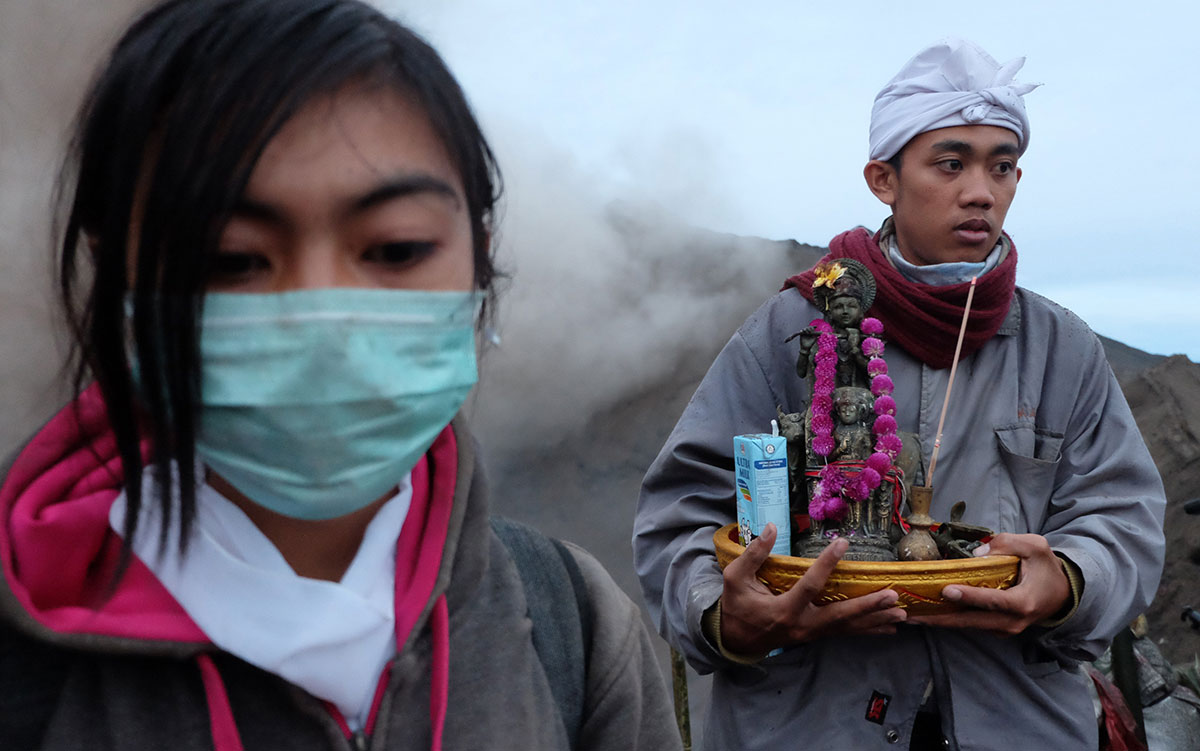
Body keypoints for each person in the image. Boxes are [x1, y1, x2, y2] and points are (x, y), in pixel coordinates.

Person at [0, 2, 681, 749]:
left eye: (395, 249)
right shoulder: (28, 665)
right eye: (230, 258)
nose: (321, 319)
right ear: (114, 273)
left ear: (479, 261)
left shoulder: (571, 625)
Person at [634, 38, 1165, 750]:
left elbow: (1123, 515)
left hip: (1019, 721)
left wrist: (1068, 582)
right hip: (806, 724)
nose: (982, 190)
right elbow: (682, 513)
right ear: (884, 179)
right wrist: (723, 616)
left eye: (1003, 166)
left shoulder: (1061, 349)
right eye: (951, 163)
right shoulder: (791, 330)